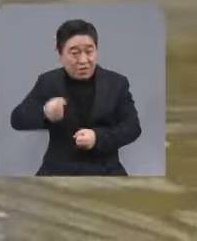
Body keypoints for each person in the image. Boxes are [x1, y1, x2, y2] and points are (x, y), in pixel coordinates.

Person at [9, 19, 141, 176]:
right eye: (75, 53)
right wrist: (46, 112)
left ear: (96, 50)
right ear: (60, 54)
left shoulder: (117, 83)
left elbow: (133, 127)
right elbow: (17, 119)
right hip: (58, 169)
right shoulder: (48, 81)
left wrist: (97, 138)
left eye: (89, 51)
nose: (83, 60)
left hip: (106, 169)